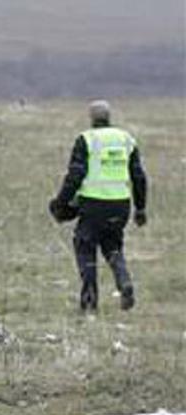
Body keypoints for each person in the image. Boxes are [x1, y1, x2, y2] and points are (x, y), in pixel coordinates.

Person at [49, 100, 148, 312]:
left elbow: (75, 176)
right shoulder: (126, 139)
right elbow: (138, 176)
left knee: (85, 248)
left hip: (93, 205)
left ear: (91, 117)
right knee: (113, 246)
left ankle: (89, 303)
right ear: (109, 116)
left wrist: (60, 202)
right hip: (121, 205)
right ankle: (124, 281)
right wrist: (140, 209)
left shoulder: (86, 139)